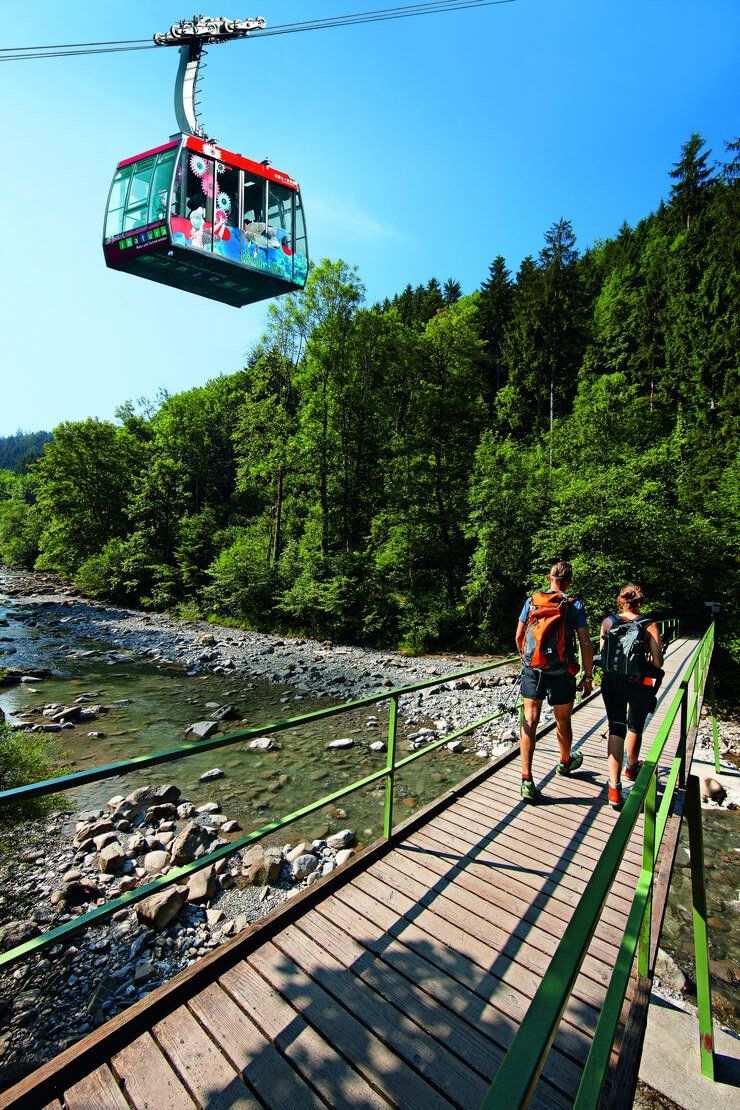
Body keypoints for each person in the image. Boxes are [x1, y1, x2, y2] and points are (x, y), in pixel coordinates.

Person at [515, 561, 594, 803]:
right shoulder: (574, 605)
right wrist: (588, 676)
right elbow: (585, 642)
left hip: (534, 670)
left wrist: (529, 659)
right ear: (569, 581)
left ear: (549, 577)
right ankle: (564, 762)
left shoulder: (532, 601)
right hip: (562, 671)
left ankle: (526, 779)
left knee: (530, 719)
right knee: (562, 719)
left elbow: (519, 636)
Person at [599, 584, 664, 809]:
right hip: (638, 684)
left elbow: (603, 655)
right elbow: (658, 663)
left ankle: (614, 790)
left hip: (612, 683)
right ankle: (631, 767)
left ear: (620, 601)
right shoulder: (649, 625)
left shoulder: (608, 623)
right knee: (635, 725)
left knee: (616, 727)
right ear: (640, 603)